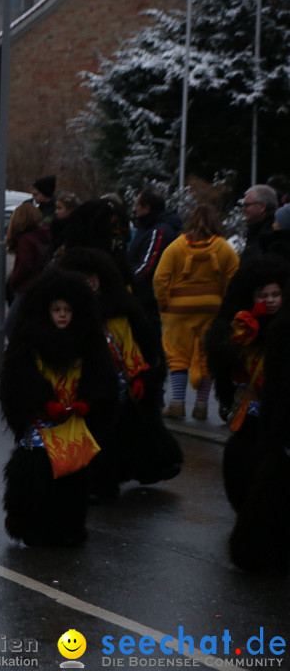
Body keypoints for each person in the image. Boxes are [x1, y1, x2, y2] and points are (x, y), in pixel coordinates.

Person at [0, 270, 119, 547]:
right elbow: (18, 380)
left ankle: (68, 528)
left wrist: (88, 401)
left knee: (72, 480)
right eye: (56, 310)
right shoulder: (29, 345)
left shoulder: (89, 345)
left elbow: (102, 379)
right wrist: (42, 403)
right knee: (36, 477)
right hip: (41, 423)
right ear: (46, 311)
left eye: (67, 310)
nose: (62, 315)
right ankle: (32, 527)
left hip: (72, 422)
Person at [58, 247, 183, 500]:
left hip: (118, 383)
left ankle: (130, 471)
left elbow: (133, 346)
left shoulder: (119, 311)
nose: (89, 281)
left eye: (92, 276)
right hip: (79, 386)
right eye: (82, 277)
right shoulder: (66, 313)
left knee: (123, 428)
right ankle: (88, 483)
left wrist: (141, 376)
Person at [205, 255, 288, 511]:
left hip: (278, 414)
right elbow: (224, 362)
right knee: (243, 460)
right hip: (247, 411)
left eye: (276, 294)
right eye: (263, 295)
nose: (271, 300)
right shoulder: (239, 326)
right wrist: (246, 327)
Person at [153, 203, 240, 419]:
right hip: (211, 308)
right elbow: (235, 280)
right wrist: (226, 308)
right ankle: (201, 406)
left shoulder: (177, 246)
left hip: (178, 310)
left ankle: (177, 404)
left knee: (177, 356)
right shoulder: (224, 248)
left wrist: (164, 302)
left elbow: (160, 278)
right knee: (205, 356)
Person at [127, 189, 183, 337]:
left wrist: (125, 279)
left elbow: (147, 266)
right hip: (143, 298)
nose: (135, 208)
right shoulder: (148, 227)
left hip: (149, 301)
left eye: (137, 205)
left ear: (146, 208)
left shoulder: (159, 231)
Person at [3, 202, 51, 340]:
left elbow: (25, 264)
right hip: (37, 284)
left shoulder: (25, 239)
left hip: (26, 287)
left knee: (10, 326)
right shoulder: (40, 236)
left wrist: (13, 280)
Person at [240, 184, 278, 263]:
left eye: (247, 205)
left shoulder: (271, 235)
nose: (243, 209)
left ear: (262, 207)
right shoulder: (256, 230)